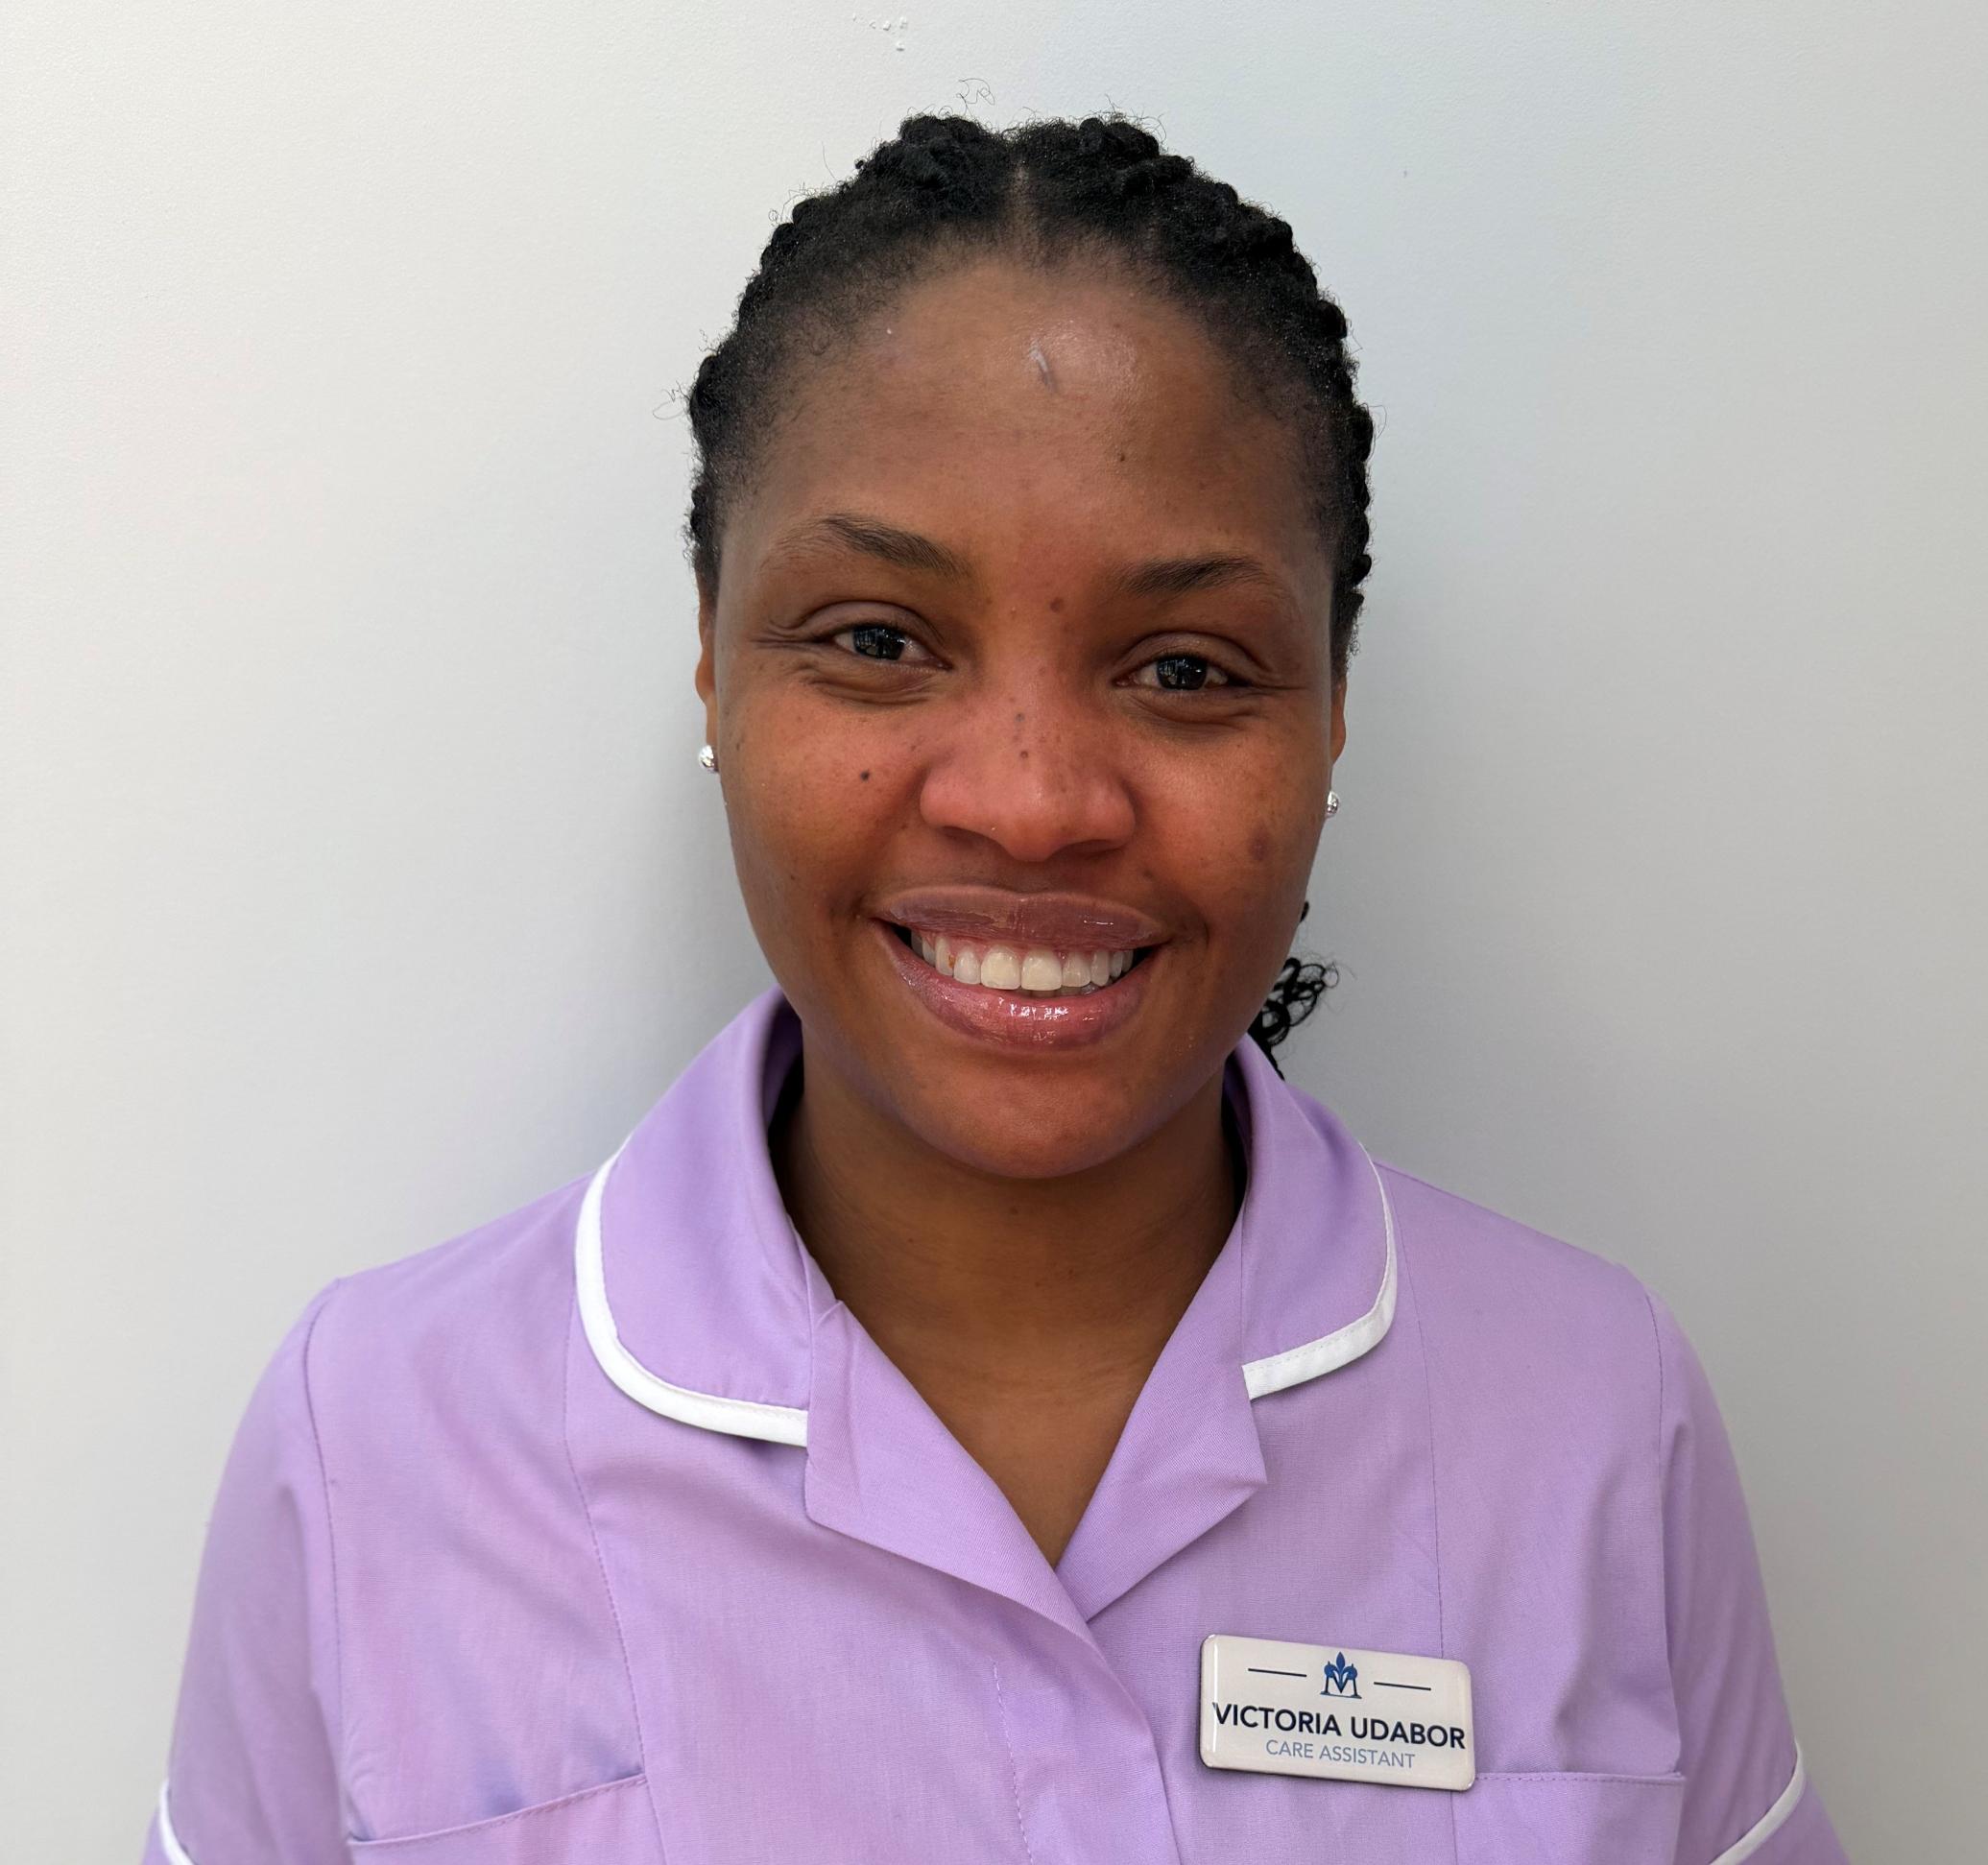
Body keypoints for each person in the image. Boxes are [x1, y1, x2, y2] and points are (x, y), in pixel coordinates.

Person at [142, 114, 1848, 1864]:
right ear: (714, 664)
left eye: (1184, 667)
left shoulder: (1588, 1419)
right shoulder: (379, 1442)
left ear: (1332, 714)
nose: (1034, 803)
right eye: (878, 639)